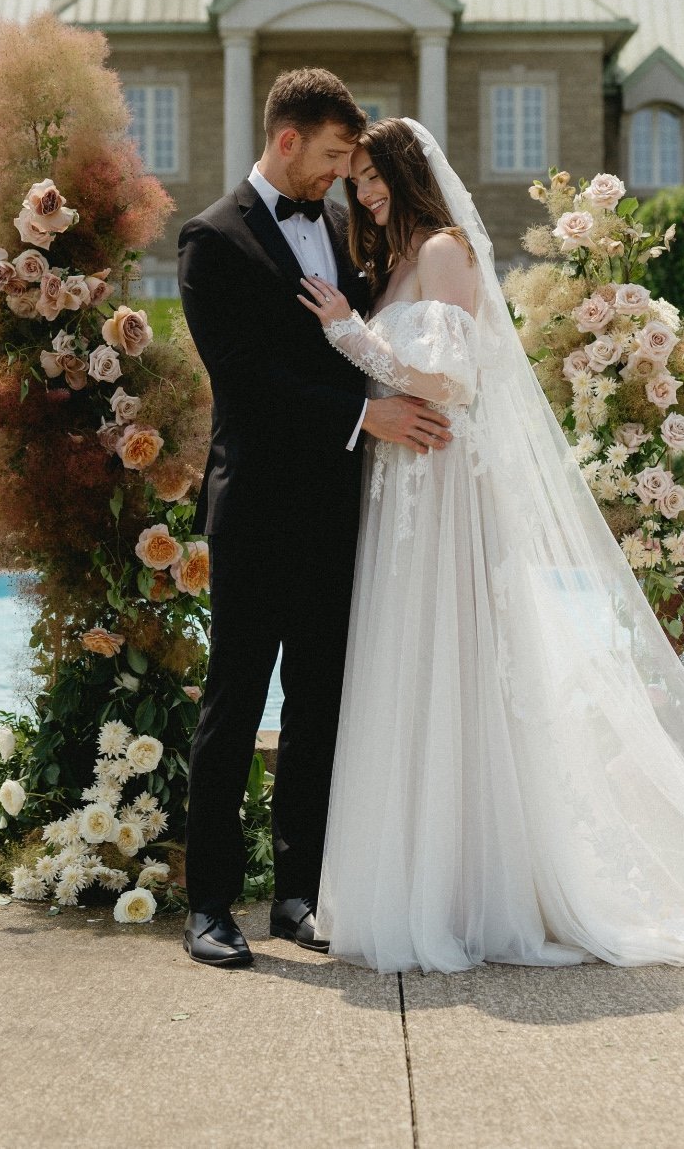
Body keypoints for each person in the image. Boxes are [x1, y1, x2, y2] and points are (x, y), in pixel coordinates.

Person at [299, 116, 684, 973]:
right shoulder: (396, 262)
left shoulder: (443, 251)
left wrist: (350, 335)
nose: (363, 192)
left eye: (374, 176)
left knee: (454, 667)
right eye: (355, 181)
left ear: (408, 174)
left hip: (444, 497)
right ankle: (416, 880)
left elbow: (452, 380)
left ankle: (471, 891)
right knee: (410, 668)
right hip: (406, 493)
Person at [176, 71, 454, 968]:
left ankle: (298, 892)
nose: (343, 176)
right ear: (288, 140)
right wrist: (363, 418)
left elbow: (371, 348)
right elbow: (246, 379)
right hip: (254, 507)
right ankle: (209, 902)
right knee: (234, 701)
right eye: (335, 155)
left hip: (340, 509)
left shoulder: (340, 231)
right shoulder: (210, 240)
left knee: (320, 705)